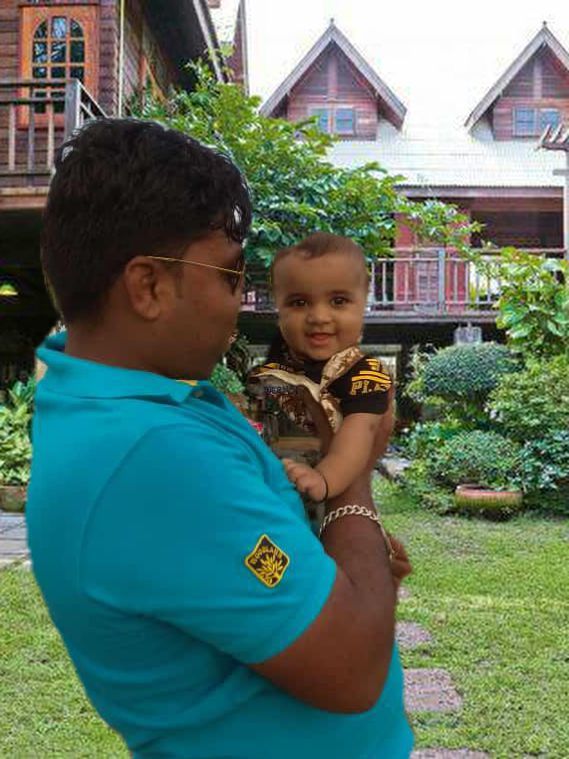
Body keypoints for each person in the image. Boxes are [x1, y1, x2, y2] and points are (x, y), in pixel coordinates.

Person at [27, 118, 414, 759]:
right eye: (231, 277)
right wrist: (356, 478)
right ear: (149, 286)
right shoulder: (154, 456)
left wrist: (355, 562)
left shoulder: (126, 403)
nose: (240, 301)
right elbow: (351, 671)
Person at [249, 233, 393, 503]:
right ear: (279, 308)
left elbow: (358, 436)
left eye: (338, 301)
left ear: (363, 304)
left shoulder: (365, 374)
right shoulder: (277, 369)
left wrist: (325, 479)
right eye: (299, 303)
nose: (318, 317)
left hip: (325, 496)